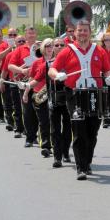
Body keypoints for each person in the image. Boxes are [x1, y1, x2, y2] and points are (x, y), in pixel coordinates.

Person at [49, 20, 110, 180]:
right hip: (74, 95)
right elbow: (52, 69)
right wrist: (57, 75)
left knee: (93, 132)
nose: (82, 33)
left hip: (95, 94)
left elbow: (107, 70)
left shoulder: (99, 50)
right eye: (80, 31)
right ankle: (81, 168)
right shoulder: (66, 51)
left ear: (89, 32)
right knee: (79, 131)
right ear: (75, 33)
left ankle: (87, 162)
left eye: (85, 30)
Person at [20, 39, 53, 157]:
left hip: (54, 94)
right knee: (44, 121)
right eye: (47, 46)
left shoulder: (57, 61)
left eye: (52, 46)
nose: (50, 48)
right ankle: (46, 146)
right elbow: (31, 79)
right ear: (43, 48)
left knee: (53, 121)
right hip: (39, 94)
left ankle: (55, 144)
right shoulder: (37, 63)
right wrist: (25, 93)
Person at [8, 27, 40, 147]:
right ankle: (29, 137)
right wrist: (22, 70)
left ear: (36, 34)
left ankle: (36, 135)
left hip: (39, 83)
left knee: (39, 110)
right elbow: (10, 66)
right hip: (25, 82)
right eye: (29, 34)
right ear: (25, 36)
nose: (31, 35)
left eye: (33, 33)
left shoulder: (42, 47)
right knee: (27, 111)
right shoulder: (20, 49)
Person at [48, 38, 72, 167]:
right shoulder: (49, 63)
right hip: (54, 99)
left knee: (68, 129)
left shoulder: (70, 62)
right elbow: (43, 80)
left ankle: (66, 152)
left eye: (61, 45)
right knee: (55, 129)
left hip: (69, 99)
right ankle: (57, 157)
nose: (58, 47)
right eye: (56, 45)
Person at [0, 34, 25, 138]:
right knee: (17, 107)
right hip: (14, 84)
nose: (22, 43)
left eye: (23, 41)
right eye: (19, 41)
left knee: (28, 110)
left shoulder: (29, 53)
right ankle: (18, 129)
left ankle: (29, 131)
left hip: (27, 83)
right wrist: (1, 81)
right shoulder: (10, 55)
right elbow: (5, 70)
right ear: (15, 43)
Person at [0, 28, 18, 132]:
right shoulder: (3, 45)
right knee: (7, 101)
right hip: (5, 75)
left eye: (14, 34)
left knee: (16, 103)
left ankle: (17, 123)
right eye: (10, 35)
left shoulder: (21, 43)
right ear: (7, 36)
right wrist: (9, 48)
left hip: (18, 78)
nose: (12, 37)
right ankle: (10, 122)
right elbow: (0, 57)